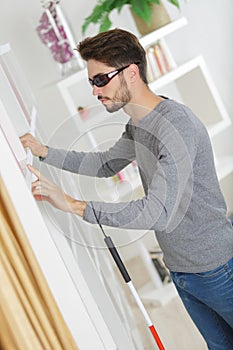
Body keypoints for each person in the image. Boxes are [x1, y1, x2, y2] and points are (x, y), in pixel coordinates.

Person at [20, 28, 233, 349]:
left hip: (216, 269)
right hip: (182, 270)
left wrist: (75, 205)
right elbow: (105, 165)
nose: (94, 91)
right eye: (92, 82)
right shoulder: (139, 124)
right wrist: (44, 152)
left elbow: (157, 212)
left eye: (100, 79)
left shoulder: (175, 125)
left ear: (131, 72)